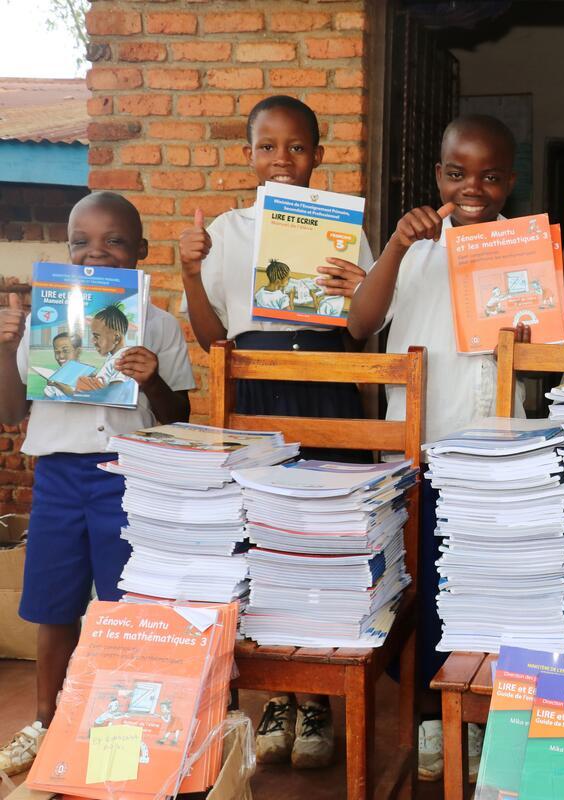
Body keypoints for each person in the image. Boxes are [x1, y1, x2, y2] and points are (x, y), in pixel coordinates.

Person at [178, 94, 374, 769]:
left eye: (296, 147)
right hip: (254, 392)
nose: (281, 160)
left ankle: (318, 700)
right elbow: (210, 340)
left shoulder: (344, 228)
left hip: (327, 387)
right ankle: (277, 699)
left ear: (319, 155)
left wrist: (356, 285)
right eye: (268, 147)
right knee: (260, 540)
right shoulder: (225, 233)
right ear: (250, 154)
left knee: (325, 539)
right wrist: (187, 270)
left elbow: (365, 328)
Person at [347, 113, 527, 782]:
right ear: (438, 177)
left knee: (487, 590)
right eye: (457, 174)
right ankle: (427, 715)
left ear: (510, 181)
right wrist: (395, 244)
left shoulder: (520, 252)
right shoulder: (416, 250)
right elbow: (361, 323)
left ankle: (477, 717)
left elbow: (545, 343)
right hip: (422, 451)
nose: (471, 187)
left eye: (488, 175)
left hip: (500, 457)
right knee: (423, 590)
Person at [0, 191, 193, 777]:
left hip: (128, 478)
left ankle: (122, 722)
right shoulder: (43, 323)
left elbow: (179, 416)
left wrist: (152, 380)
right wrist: (7, 343)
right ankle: (46, 718)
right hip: (58, 477)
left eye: (113, 241)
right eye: (80, 242)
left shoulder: (157, 325)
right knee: (53, 604)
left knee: (123, 604)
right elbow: (11, 412)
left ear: (141, 252)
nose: (95, 253)